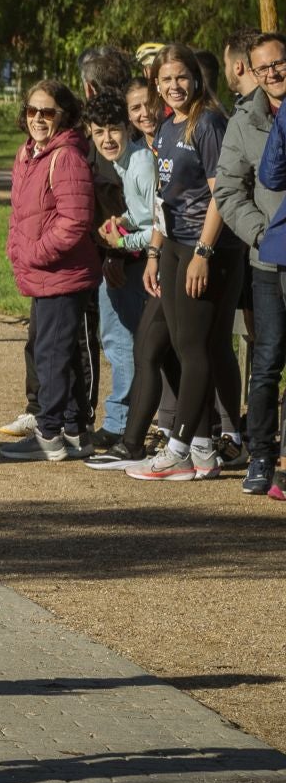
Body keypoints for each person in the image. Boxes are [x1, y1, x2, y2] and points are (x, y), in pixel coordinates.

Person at [125, 46, 241, 481]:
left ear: (196, 78)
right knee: (186, 345)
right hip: (173, 244)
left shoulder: (208, 123)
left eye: (182, 77)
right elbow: (163, 197)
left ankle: (178, 449)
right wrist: (155, 252)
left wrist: (203, 253)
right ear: (156, 83)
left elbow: (221, 195)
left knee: (195, 349)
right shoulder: (169, 126)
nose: (174, 86)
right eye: (165, 79)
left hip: (205, 247)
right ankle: (204, 448)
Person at [0, 81, 102, 461]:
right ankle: (75, 431)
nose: (38, 119)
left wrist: (37, 253)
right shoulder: (29, 154)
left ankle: (50, 433)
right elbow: (21, 214)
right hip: (42, 272)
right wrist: (17, 250)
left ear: (65, 115)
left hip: (62, 272)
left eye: (47, 112)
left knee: (52, 354)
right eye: (32, 111)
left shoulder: (67, 156)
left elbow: (74, 221)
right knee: (57, 351)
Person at [228, 33, 286, 495]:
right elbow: (229, 190)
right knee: (266, 360)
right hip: (269, 261)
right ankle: (262, 455)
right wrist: (263, 235)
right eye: (264, 67)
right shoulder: (244, 121)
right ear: (252, 71)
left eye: (279, 63)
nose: (274, 73)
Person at [87, 91, 157, 449]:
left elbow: (160, 223)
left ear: (128, 128)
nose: (107, 139)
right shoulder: (123, 162)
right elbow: (141, 214)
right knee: (117, 336)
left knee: (131, 340)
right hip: (137, 254)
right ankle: (123, 420)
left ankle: (126, 423)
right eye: (99, 132)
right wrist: (120, 222)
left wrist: (121, 245)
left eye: (114, 129)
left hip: (154, 261)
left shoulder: (141, 164)